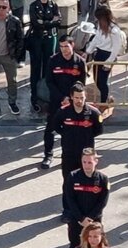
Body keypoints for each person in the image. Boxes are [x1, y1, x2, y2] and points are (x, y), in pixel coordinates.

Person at [40, 37, 87, 168]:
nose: (64, 49)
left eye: (66, 46)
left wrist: (71, 98)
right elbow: (49, 82)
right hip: (56, 101)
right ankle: (48, 155)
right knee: (50, 128)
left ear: (73, 45)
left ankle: (68, 155)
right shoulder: (53, 60)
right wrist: (62, 98)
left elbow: (81, 84)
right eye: (61, 46)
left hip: (73, 102)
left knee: (71, 130)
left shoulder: (80, 62)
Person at [62, 149, 109, 248]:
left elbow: (103, 202)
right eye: (84, 162)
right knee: (75, 247)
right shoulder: (72, 177)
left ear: (96, 162)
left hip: (94, 223)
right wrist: (81, 218)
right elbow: (70, 199)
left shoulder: (103, 179)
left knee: (95, 247)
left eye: (89, 162)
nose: (86, 165)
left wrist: (90, 219)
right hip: (76, 221)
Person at [47, 83, 110, 177]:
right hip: (69, 152)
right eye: (76, 97)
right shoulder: (63, 112)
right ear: (71, 97)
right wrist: (66, 135)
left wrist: (87, 136)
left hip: (86, 154)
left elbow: (99, 130)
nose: (79, 100)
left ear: (85, 97)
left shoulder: (94, 113)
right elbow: (56, 126)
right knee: (68, 179)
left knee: (86, 180)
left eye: (82, 97)